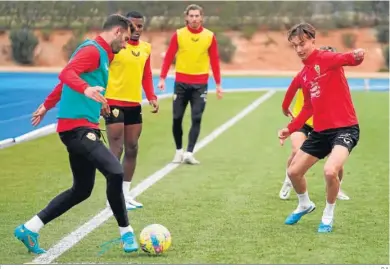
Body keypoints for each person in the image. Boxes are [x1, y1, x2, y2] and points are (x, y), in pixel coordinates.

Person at [14, 14, 139, 254]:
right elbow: (66, 74)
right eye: (124, 39)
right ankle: (127, 234)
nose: (125, 45)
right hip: (76, 129)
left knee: (82, 189)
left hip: (84, 127)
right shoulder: (93, 50)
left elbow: (67, 81)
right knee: (115, 171)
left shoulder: (105, 55)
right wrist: (86, 89)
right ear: (116, 31)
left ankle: (29, 229)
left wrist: (46, 105)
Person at [277, 23, 364, 233]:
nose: (299, 49)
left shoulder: (325, 58)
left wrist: (358, 55)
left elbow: (348, 59)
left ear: (312, 40)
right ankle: (305, 204)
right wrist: (291, 128)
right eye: (295, 46)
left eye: (303, 43)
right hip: (321, 132)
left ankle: (328, 215)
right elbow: (308, 107)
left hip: (345, 129)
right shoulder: (305, 74)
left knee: (330, 170)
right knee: (293, 172)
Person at [278, 45, 350, 201]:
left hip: (325, 125)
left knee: (336, 160)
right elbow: (289, 95)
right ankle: (288, 181)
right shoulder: (305, 75)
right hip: (302, 121)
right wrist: (285, 109)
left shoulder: (335, 79)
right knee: (297, 151)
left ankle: (337, 188)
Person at [104, 11, 159, 210]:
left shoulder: (146, 48)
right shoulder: (115, 47)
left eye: (140, 26)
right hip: (113, 102)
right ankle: (111, 196)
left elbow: (146, 74)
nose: (137, 30)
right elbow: (102, 71)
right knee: (116, 148)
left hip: (134, 104)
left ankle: (125, 194)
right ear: (126, 27)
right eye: (133, 26)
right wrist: (101, 98)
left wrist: (151, 96)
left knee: (133, 147)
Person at [158, 4, 223, 165]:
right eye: (191, 16)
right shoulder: (179, 34)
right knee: (176, 118)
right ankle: (179, 151)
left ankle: (189, 152)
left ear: (201, 17)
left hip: (200, 84)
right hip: (181, 83)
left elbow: (214, 60)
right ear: (186, 17)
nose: (194, 19)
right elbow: (169, 57)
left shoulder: (209, 36)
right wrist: (162, 78)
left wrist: (218, 84)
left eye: (197, 16)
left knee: (196, 117)